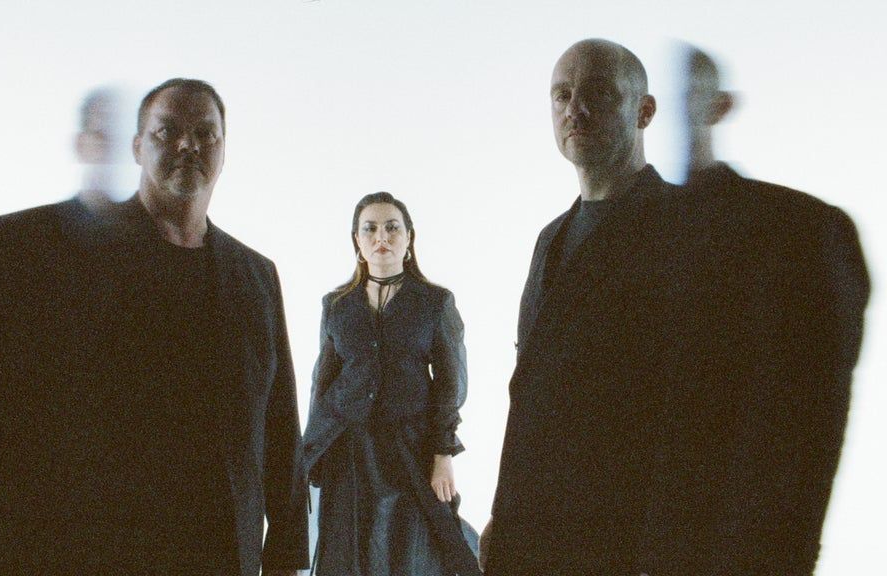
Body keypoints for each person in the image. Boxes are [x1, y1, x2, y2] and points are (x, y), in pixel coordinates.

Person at [0, 78, 309, 575]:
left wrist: (285, 558)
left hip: (220, 556)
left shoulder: (255, 275)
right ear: (137, 147)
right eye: (167, 131)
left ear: (223, 151)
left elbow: (279, 427)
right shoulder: (64, 257)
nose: (187, 145)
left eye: (204, 133)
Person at [481, 38, 870, 575]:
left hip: (624, 543)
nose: (576, 109)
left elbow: (711, 410)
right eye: (562, 95)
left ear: (645, 111)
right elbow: (531, 394)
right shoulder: (551, 239)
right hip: (536, 537)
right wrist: (503, 515)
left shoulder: (689, 230)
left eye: (599, 93)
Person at [666, 45, 870, 574]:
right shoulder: (624, 244)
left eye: (685, 95)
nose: (669, 115)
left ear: (720, 106)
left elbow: (816, 416)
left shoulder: (802, 231)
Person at [300, 192, 480, 576]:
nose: (381, 236)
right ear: (357, 240)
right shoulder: (336, 304)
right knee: (348, 554)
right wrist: (312, 452)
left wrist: (443, 454)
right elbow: (322, 383)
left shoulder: (434, 302)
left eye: (392, 227)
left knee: (410, 549)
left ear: (409, 237)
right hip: (347, 449)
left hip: (409, 448)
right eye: (370, 228)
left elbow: (450, 384)